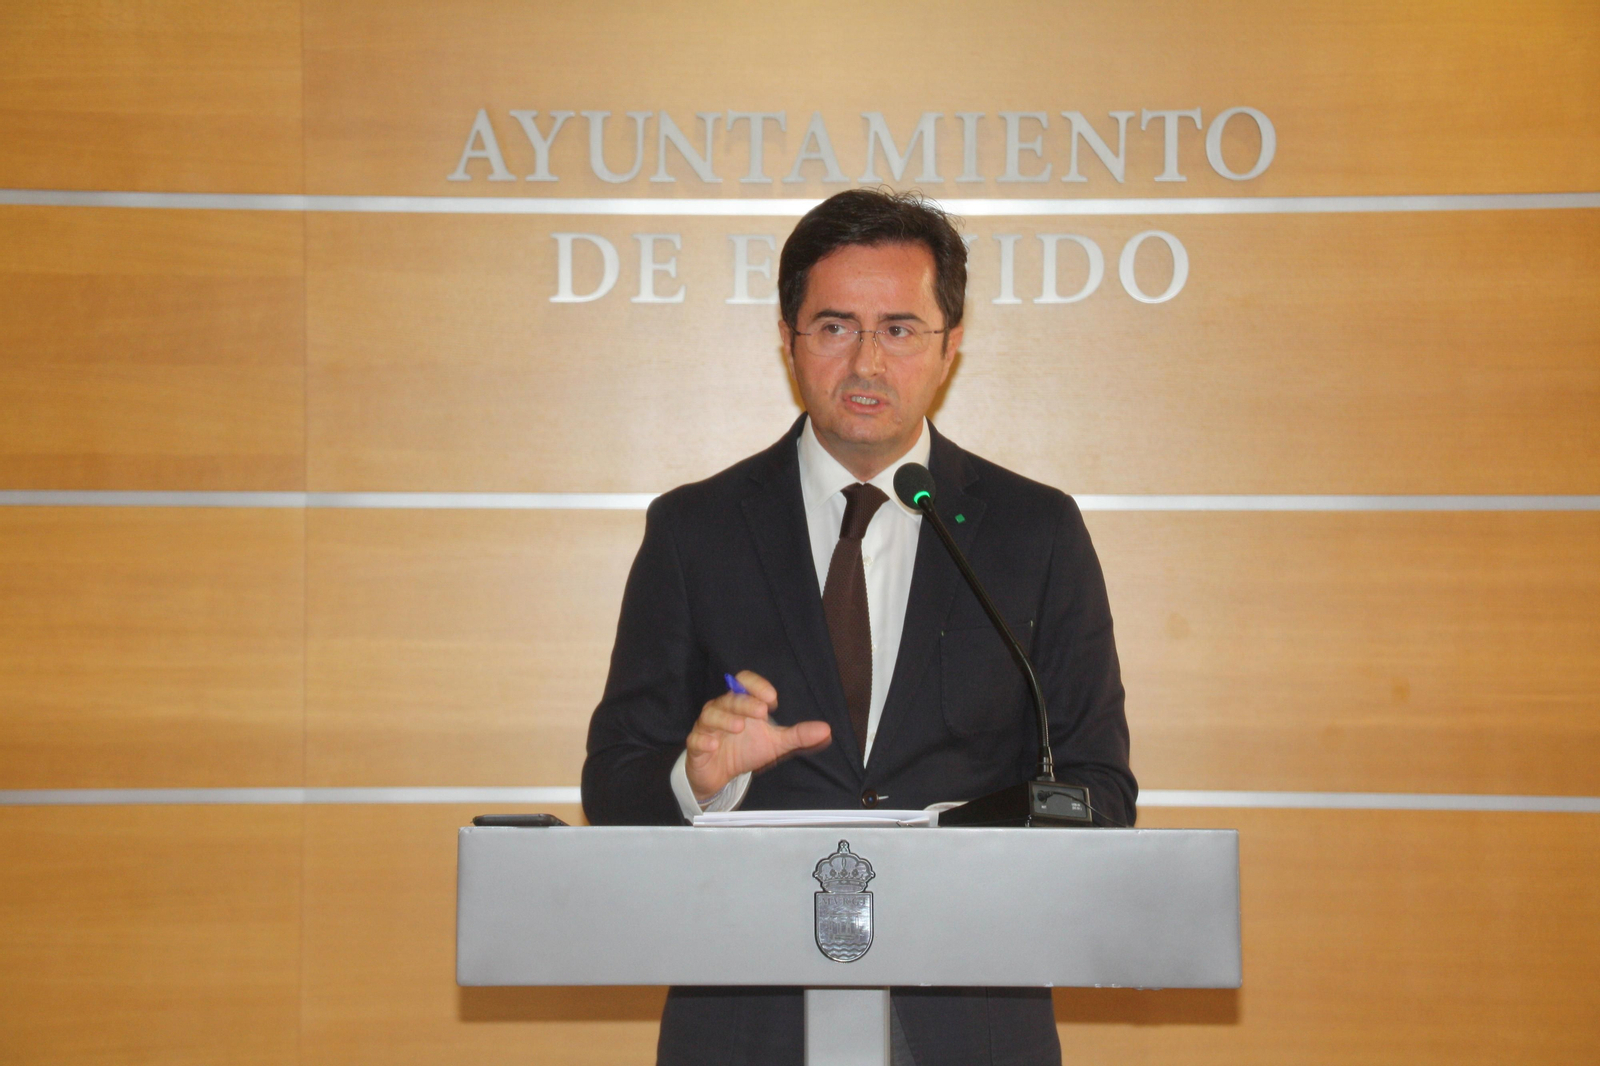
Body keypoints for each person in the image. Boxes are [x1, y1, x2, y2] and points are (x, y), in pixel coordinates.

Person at [582, 188, 1136, 1066]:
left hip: (971, 1022)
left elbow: (1099, 786)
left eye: (900, 329)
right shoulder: (696, 529)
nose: (867, 362)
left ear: (951, 344)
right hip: (748, 1025)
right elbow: (614, 782)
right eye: (835, 326)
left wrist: (964, 837)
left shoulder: (1036, 532)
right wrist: (699, 783)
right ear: (789, 338)